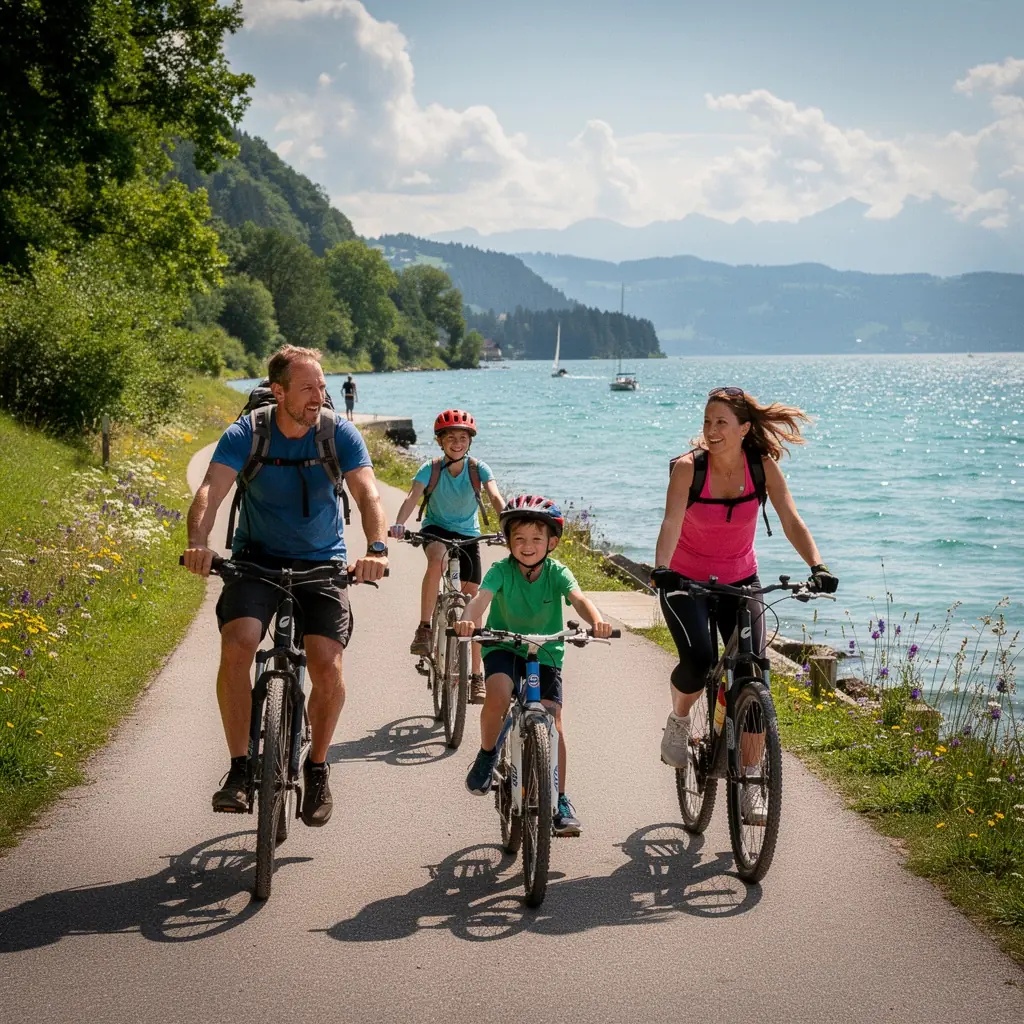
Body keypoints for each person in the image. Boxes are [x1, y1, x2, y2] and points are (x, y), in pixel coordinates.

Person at [182, 345, 388, 827]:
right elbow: (211, 491)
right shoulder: (248, 433)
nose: (319, 397)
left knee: (327, 665)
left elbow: (367, 492)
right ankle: (239, 767)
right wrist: (199, 543)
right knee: (238, 645)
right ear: (278, 392)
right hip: (256, 560)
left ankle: (316, 767)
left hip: (324, 564)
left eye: (322, 387)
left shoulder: (339, 435)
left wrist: (376, 549)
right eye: (308, 388)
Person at [651, 386, 838, 825]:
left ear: (744, 429)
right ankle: (679, 721)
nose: (711, 431)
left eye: (721, 423)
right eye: (707, 422)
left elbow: (791, 518)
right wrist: (661, 567)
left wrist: (818, 564)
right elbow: (671, 520)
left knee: (753, 671)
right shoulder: (687, 469)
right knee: (698, 661)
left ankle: (752, 781)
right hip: (685, 581)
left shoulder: (762, 467)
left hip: (740, 580)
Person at [455, 495, 613, 837]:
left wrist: (597, 621)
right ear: (509, 542)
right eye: (519, 539)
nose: (527, 546)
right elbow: (480, 599)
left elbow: (579, 599)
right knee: (497, 694)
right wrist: (468, 621)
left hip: (545, 652)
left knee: (553, 720)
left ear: (551, 543)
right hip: (503, 644)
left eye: (536, 539)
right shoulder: (500, 571)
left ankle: (560, 800)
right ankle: (487, 754)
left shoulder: (557, 572)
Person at [389, 409, 505, 704]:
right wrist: (400, 523)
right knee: (436, 559)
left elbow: (495, 497)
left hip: (469, 534)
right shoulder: (431, 468)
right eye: (450, 437)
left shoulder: (479, 469)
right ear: (440, 441)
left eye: (462, 438)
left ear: (470, 441)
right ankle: (425, 628)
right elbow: (412, 497)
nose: (457, 442)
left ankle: (476, 676)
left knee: (474, 602)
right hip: (436, 528)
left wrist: (509, 526)